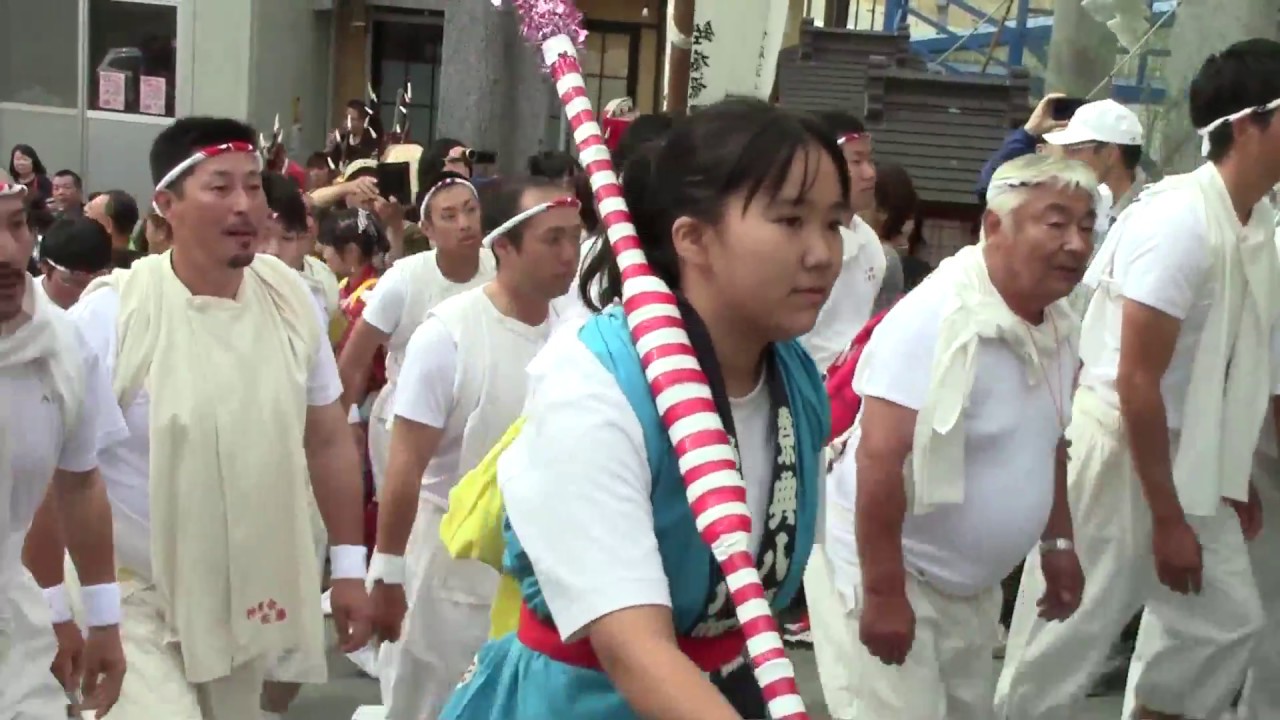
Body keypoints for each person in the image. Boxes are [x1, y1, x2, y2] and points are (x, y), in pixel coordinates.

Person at [439, 97, 845, 720]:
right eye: (790, 221)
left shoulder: (794, 376)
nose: (821, 252)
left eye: (833, 224)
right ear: (693, 238)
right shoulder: (593, 383)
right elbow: (633, 648)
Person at [995, 39, 1280, 720]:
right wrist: (1170, 516)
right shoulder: (1180, 220)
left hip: (1188, 455)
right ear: (1250, 124)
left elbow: (1231, 366)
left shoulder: (1257, 223)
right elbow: (1137, 380)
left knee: (1224, 623)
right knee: (1061, 645)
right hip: (1120, 449)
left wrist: (1224, 477)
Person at [68, 116, 372, 718]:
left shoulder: (289, 302)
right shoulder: (110, 316)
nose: (244, 206)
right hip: (131, 592)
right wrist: (67, 604)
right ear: (166, 204)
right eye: (219, 187)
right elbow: (60, 474)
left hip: (240, 586)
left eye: (254, 186)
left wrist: (350, 567)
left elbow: (329, 438)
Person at [811, 154, 1092, 719]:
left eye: (1086, 226)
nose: (1077, 243)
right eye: (1056, 223)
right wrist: (884, 592)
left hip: (971, 589)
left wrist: (1058, 543)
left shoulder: (1060, 322)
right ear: (995, 227)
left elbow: (1050, 440)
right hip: (890, 570)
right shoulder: (936, 315)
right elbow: (879, 457)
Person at [370, 175, 582, 719]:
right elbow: (405, 464)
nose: (568, 254)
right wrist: (388, 571)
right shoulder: (449, 335)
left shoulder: (579, 333)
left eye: (573, 237)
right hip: (446, 566)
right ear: (505, 247)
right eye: (551, 240)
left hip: (540, 567)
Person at [0, 180, 127, 717]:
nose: (7, 251)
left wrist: (99, 617)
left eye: (15, 226)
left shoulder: (63, 344)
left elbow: (77, 483)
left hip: (11, 624)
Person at [338, 170, 496, 496]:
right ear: (427, 229)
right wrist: (344, 421)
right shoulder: (404, 279)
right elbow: (354, 361)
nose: (464, 223)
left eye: (471, 210)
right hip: (409, 423)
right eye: (449, 216)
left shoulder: (500, 266)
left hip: (482, 422)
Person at [800, 111, 888, 371]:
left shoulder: (870, 243)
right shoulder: (795, 239)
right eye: (856, 161)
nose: (869, 173)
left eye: (870, 160)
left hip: (849, 384)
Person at [34, 216, 113, 309]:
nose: (88, 293)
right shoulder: (24, 307)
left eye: (97, 283)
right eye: (78, 283)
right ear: (46, 266)